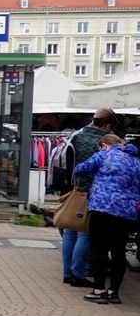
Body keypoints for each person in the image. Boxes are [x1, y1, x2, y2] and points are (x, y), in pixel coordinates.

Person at [73, 133, 140, 304]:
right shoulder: (136, 161)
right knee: (119, 251)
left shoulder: (104, 154)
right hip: (127, 212)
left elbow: (79, 169)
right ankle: (114, 292)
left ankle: (99, 290)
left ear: (104, 145)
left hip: (102, 208)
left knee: (99, 249)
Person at [62, 108, 117, 287]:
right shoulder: (103, 142)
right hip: (93, 191)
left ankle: (67, 273)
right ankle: (78, 274)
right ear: (107, 125)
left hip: (75, 188)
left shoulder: (77, 135)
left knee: (70, 232)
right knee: (84, 233)